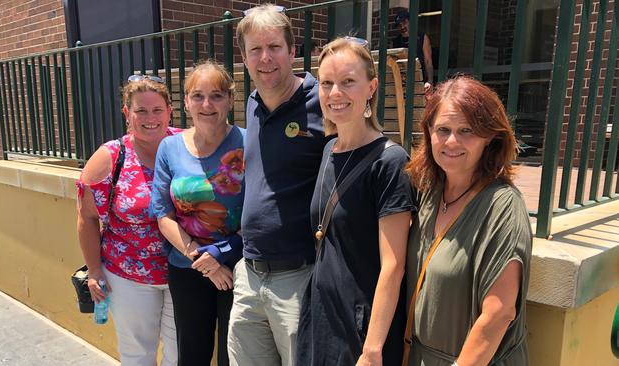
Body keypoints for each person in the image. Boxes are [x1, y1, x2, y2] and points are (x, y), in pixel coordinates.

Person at [296, 37, 415, 365]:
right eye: (327, 83)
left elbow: (393, 266)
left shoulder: (389, 162)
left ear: (371, 87)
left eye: (348, 82)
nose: (335, 93)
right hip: (321, 317)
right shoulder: (328, 150)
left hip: (361, 329)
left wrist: (373, 349)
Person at [404, 76, 532, 365]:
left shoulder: (503, 207)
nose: (452, 141)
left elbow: (499, 314)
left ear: (490, 138)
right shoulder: (429, 194)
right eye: (443, 130)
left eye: (466, 130)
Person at [228, 4, 329, 366]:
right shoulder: (254, 102)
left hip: (298, 278)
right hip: (250, 275)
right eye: (255, 49)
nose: (265, 58)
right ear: (244, 57)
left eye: (274, 47)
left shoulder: (322, 103)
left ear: (292, 51)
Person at [76, 75, 179, 366]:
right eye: (141, 111)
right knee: (138, 356)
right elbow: (86, 217)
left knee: (181, 354)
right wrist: (94, 270)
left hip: (183, 271)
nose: (150, 118)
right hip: (130, 277)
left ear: (169, 111)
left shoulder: (187, 144)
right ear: (126, 113)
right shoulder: (110, 156)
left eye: (157, 109)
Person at [150, 60, 245, 366]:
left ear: (230, 99)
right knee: (191, 354)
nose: (207, 104)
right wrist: (204, 261)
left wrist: (221, 256)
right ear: (187, 102)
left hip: (238, 267)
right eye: (198, 96)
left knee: (235, 355)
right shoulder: (169, 147)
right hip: (187, 266)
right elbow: (163, 214)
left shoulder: (248, 142)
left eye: (217, 95)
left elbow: (260, 210)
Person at [392, 8, 434, 93]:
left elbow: (428, 61)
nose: (402, 27)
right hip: (401, 84)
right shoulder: (395, 42)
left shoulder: (422, 37)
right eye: (399, 25)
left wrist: (430, 81)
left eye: (404, 23)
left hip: (420, 82)